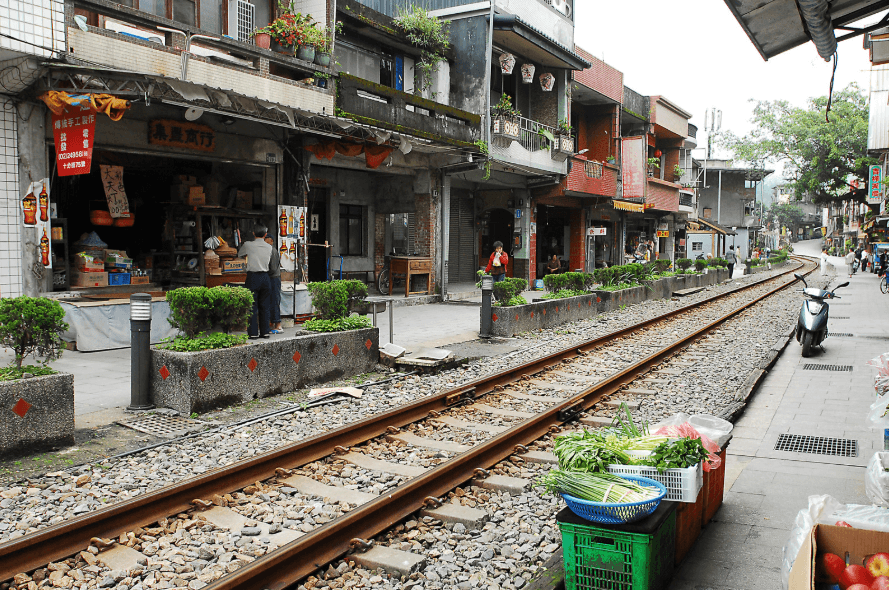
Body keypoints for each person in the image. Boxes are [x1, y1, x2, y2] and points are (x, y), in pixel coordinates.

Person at [238, 225, 273, 339]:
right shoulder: (269, 247)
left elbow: (240, 254)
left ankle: (253, 333)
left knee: (252, 306)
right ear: (265, 235)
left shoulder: (248, 245)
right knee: (265, 306)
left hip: (253, 277)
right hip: (265, 276)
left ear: (253, 233)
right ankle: (265, 332)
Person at [264, 236, 283, 334]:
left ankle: (278, 325)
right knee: (270, 301)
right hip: (270, 278)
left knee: (275, 300)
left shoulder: (273, 251)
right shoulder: (266, 250)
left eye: (265, 240)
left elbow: (273, 268)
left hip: (274, 278)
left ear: (271, 241)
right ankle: (272, 323)